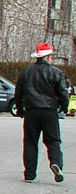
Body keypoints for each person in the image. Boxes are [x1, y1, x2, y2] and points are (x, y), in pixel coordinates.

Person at [14, 42, 69, 183]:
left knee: (30, 142)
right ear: (48, 57)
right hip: (49, 112)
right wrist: (63, 107)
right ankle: (56, 163)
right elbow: (63, 93)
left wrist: (20, 110)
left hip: (31, 111)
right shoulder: (56, 72)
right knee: (53, 141)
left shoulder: (26, 72)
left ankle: (30, 174)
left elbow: (18, 93)